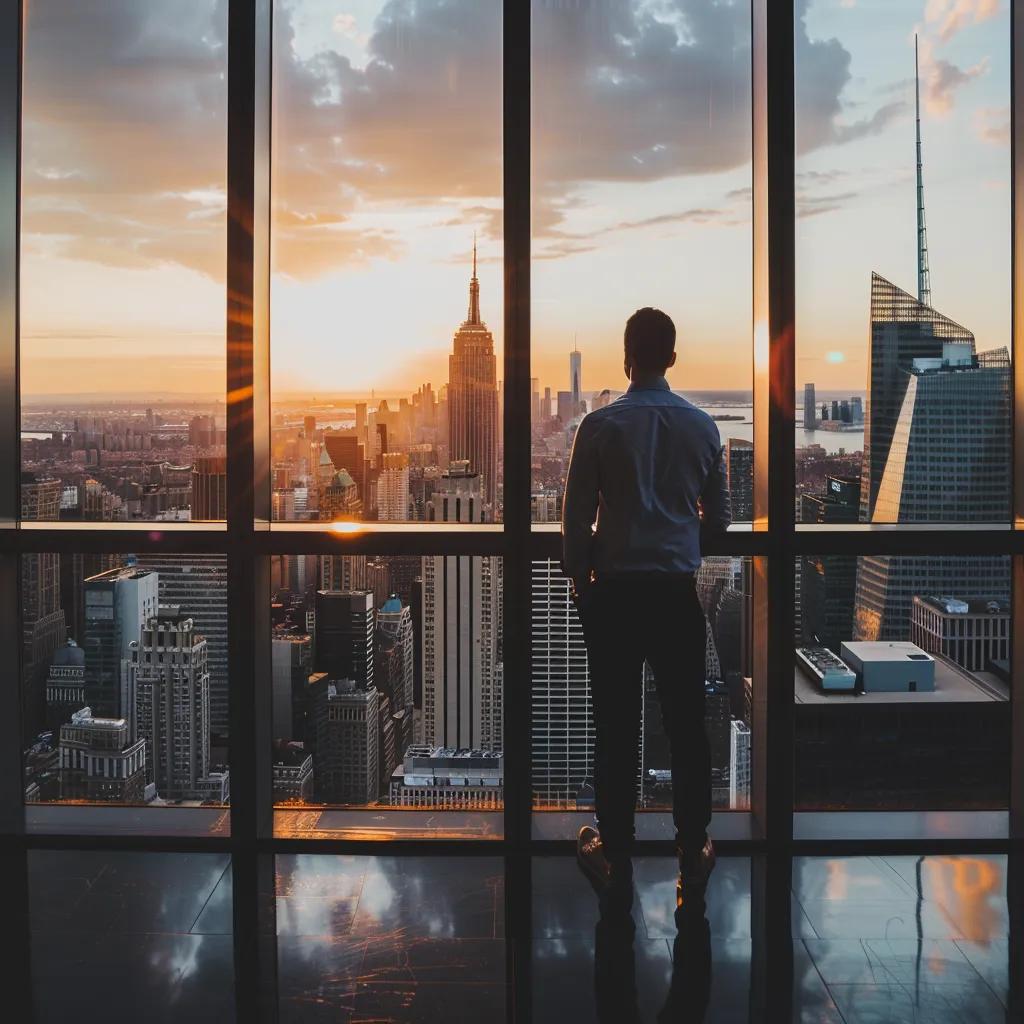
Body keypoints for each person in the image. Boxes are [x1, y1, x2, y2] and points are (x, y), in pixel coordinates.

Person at [562, 307, 731, 907]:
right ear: (674, 357)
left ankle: (614, 851)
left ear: (626, 357)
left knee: (616, 726)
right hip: (675, 596)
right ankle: (694, 848)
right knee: (686, 727)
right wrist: (682, 534)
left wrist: (583, 586)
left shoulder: (599, 427)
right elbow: (722, 523)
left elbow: (576, 520)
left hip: (614, 596)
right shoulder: (704, 427)